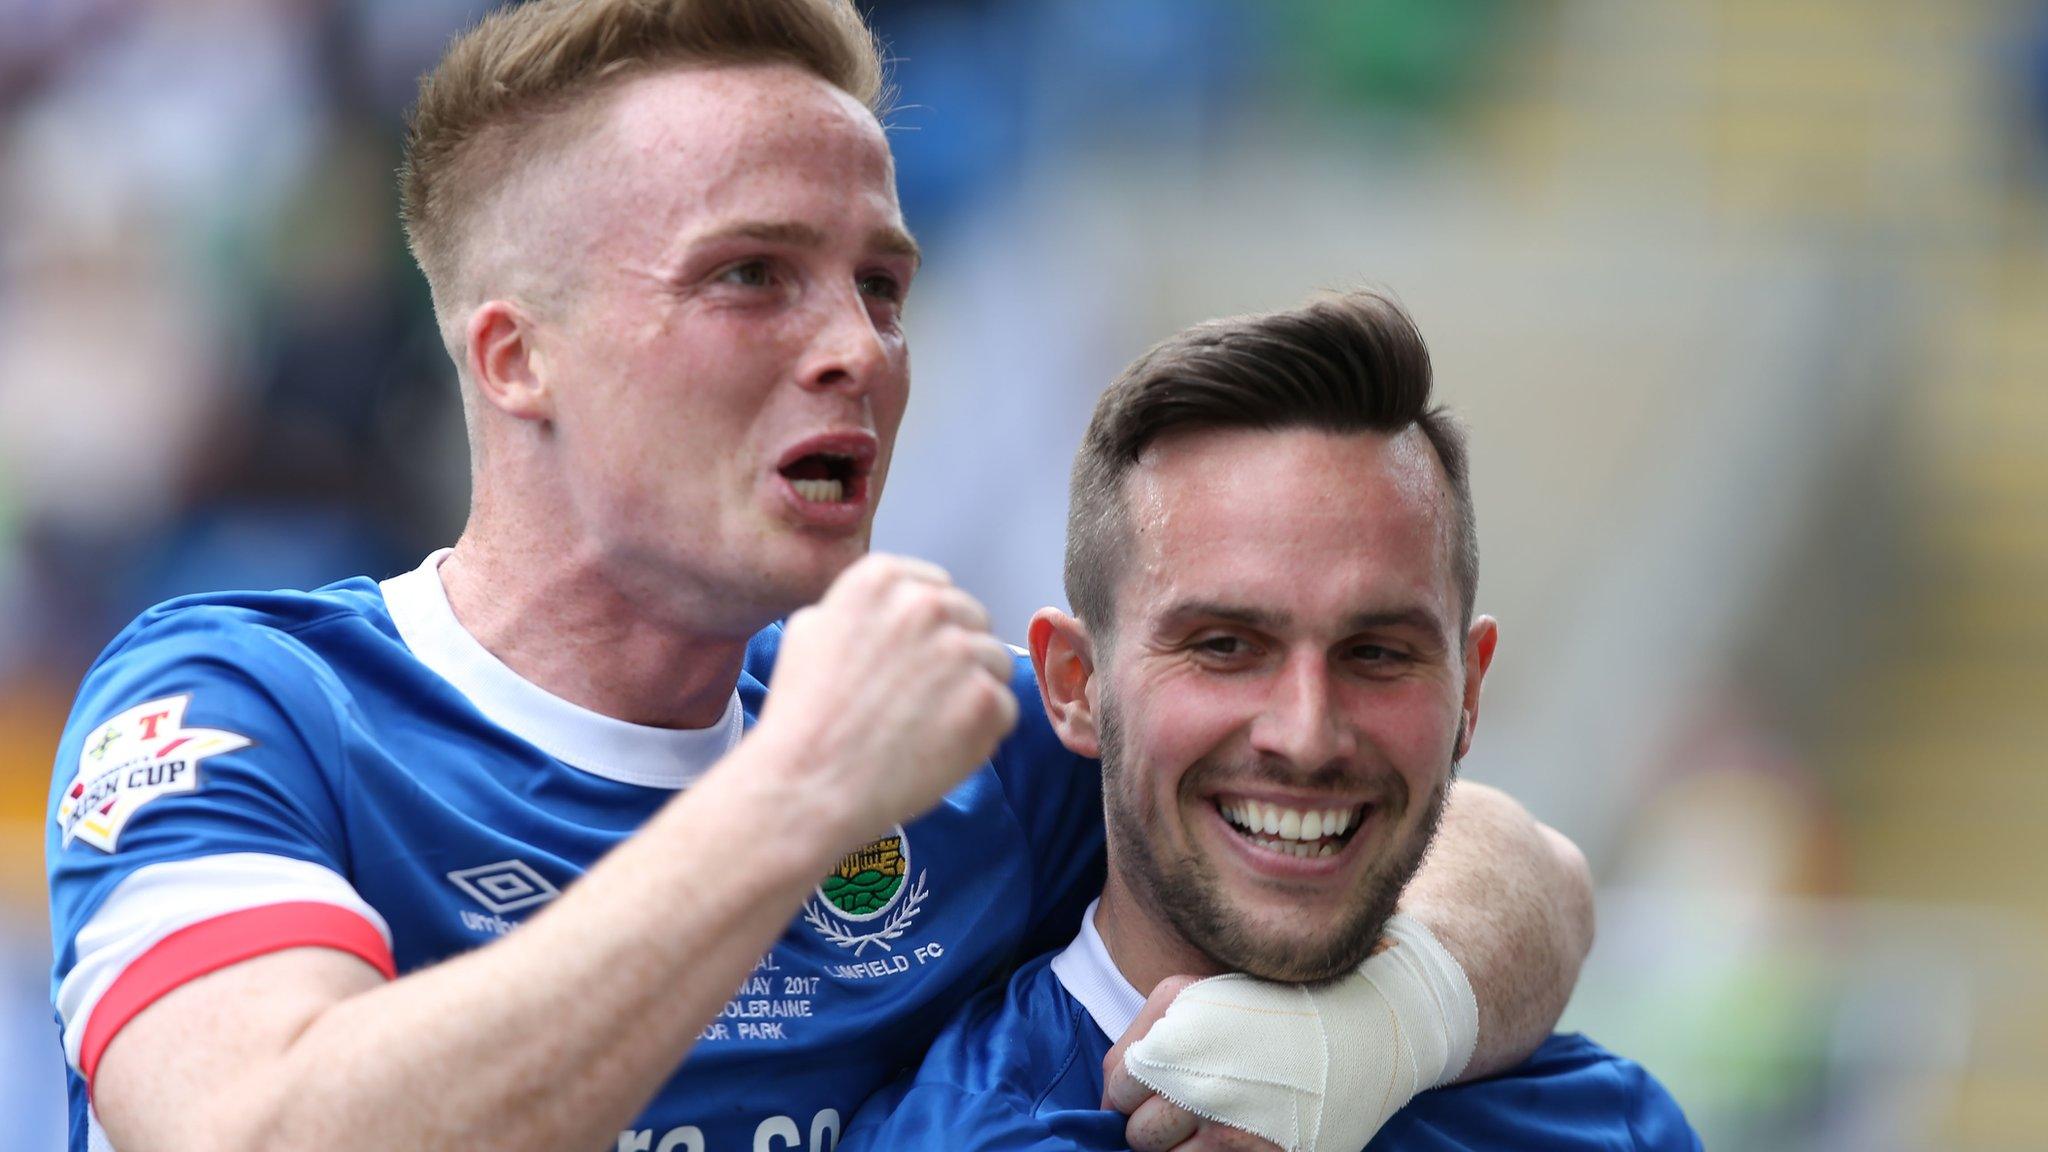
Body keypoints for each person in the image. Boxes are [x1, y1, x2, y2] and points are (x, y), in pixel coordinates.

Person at [44, 4, 1594, 1151]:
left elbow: (1510, 864)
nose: (857, 346)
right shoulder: (254, 709)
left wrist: (1394, 1024)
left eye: (884, 284)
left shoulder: (969, 748)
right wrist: (792, 801)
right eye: (751, 276)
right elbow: (252, 1129)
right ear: (521, 356)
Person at [841, 292, 1700, 1151]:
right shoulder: (966, 1134)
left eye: (1377, 653)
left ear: (1469, 693)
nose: (1307, 733)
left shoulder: (1601, 1118)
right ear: (1076, 683)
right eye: (1224, 646)